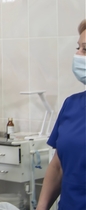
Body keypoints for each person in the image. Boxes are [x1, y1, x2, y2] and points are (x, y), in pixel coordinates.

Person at [36, 19, 86, 210]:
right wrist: (41, 207)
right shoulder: (71, 105)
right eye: (78, 48)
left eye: (85, 50)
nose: (77, 55)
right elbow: (58, 166)